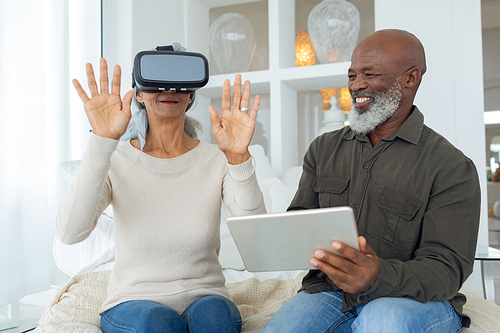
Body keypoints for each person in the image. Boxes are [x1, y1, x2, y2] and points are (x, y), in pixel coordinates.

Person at [261, 29, 480, 333]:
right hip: (330, 291)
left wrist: (378, 276)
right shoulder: (323, 149)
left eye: (369, 73)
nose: (356, 85)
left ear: (410, 78)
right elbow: (299, 225)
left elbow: (446, 269)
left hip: (416, 298)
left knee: (380, 322)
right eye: (352, 75)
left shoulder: (451, 167)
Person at [56, 52, 265, 333]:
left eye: (179, 82)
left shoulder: (217, 159)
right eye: (157, 80)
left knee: (214, 317)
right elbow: (71, 232)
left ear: (190, 95)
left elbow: (258, 239)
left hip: (206, 297)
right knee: (159, 322)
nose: (169, 90)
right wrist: (101, 141)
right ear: (139, 95)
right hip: (132, 302)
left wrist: (238, 158)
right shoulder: (115, 159)